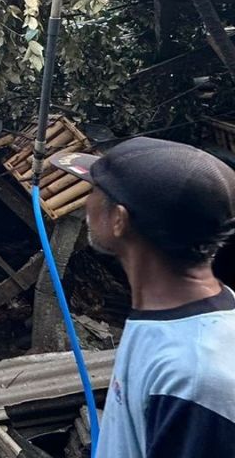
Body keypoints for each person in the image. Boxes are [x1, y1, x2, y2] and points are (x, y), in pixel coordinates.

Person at [51, 137, 235, 458]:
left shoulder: (193, 377)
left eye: (94, 190)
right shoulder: (174, 314)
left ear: (119, 220)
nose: (86, 202)